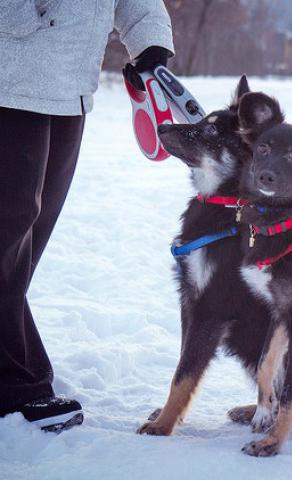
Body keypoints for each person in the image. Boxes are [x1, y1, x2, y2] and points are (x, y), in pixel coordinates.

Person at [0, 0, 174, 433]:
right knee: (6, 237)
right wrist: (23, 17)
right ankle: (16, 387)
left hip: (70, 87)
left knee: (27, 243)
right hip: (8, 77)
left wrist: (149, 44)